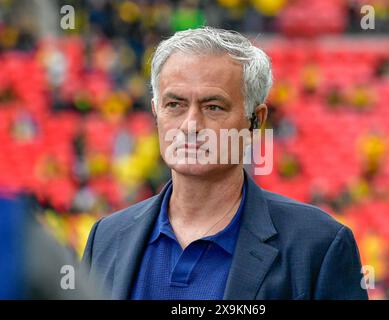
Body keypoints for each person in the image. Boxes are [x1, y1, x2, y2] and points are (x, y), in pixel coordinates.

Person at [82, 27, 368, 300]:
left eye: (213, 107)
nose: (190, 125)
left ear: (256, 121)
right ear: (156, 112)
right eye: (175, 105)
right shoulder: (106, 239)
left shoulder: (318, 245)